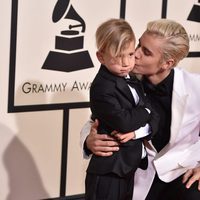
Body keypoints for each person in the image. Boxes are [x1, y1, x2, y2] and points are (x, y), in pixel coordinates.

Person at [80, 19, 200, 200]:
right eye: (139, 45)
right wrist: (88, 141)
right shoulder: (121, 79)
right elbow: (96, 119)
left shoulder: (195, 86)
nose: (134, 54)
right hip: (136, 173)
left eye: (146, 52)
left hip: (181, 173)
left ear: (167, 63)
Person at [85, 18, 159, 200]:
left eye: (130, 54)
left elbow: (155, 118)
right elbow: (124, 122)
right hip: (109, 171)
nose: (126, 62)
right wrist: (146, 111)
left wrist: (139, 128)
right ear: (101, 56)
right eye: (118, 56)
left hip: (129, 168)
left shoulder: (132, 78)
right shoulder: (102, 88)